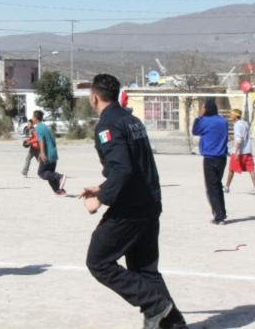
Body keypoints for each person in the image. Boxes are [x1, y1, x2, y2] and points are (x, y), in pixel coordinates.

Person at [81, 74, 187, 329]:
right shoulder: (131, 120)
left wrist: (102, 198)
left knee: (98, 261)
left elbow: (122, 169)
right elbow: (132, 166)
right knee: (145, 270)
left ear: (94, 97)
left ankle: (156, 306)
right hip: (149, 201)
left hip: (131, 208)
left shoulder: (108, 125)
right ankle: (174, 325)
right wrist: (103, 186)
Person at [192, 99, 229, 224]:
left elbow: (195, 131)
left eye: (203, 107)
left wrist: (199, 117)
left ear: (207, 109)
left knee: (212, 188)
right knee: (217, 185)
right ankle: (221, 212)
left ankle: (219, 216)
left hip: (210, 158)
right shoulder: (223, 121)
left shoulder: (204, 121)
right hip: (222, 158)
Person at [224, 109, 255, 195]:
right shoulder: (245, 123)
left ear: (235, 116)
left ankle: (227, 187)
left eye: (231, 115)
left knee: (231, 169)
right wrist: (232, 138)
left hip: (240, 152)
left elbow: (239, 139)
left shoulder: (237, 125)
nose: (230, 117)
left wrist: (236, 152)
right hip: (248, 151)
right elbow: (243, 136)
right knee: (251, 169)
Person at [32, 110, 66, 195]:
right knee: (50, 174)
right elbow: (51, 140)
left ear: (35, 118)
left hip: (47, 154)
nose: (32, 119)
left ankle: (60, 177)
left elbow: (41, 140)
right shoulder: (45, 127)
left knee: (41, 173)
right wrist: (41, 152)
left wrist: (42, 153)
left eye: (33, 117)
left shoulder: (38, 127)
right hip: (53, 153)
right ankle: (59, 190)